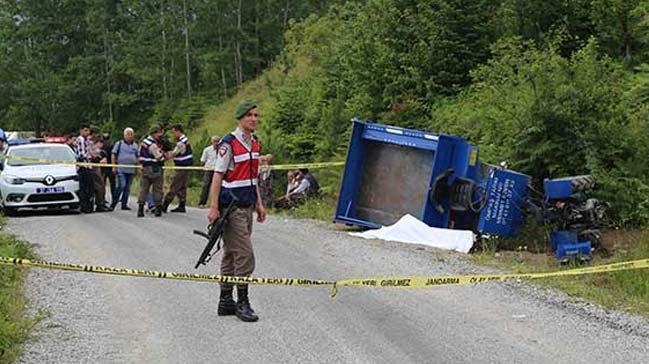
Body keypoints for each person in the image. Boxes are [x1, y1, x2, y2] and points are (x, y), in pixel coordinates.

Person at [208, 99, 266, 323]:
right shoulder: (228, 143)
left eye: (256, 115)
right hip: (230, 208)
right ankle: (242, 302)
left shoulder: (255, 143)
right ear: (240, 119)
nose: (254, 119)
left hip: (248, 205)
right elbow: (217, 176)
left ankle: (225, 300)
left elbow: (253, 179)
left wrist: (259, 204)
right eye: (249, 115)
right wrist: (214, 207)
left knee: (232, 254)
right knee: (245, 254)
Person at [162, 123, 193, 213]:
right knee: (182, 186)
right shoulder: (184, 140)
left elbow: (173, 154)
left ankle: (165, 205)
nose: (173, 134)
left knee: (175, 185)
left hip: (182, 166)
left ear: (178, 131)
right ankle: (182, 205)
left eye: (174, 132)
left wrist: (164, 153)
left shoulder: (181, 142)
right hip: (184, 165)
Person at [137, 125, 165, 217]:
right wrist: (163, 154)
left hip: (145, 168)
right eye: (159, 133)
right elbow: (158, 157)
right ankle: (158, 209)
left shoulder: (143, 143)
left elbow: (139, 155)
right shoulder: (152, 144)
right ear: (154, 133)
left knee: (143, 189)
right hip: (155, 168)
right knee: (157, 189)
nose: (160, 135)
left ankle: (140, 209)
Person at [111, 128, 138, 210]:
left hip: (131, 170)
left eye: (131, 134)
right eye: (128, 134)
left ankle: (124, 204)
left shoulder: (135, 145)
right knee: (121, 186)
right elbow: (113, 154)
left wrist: (138, 168)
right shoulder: (119, 144)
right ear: (124, 135)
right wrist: (113, 166)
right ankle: (114, 203)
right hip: (121, 169)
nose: (130, 136)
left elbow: (137, 156)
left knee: (127, 188)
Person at [75, 125, 94, 213]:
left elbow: (90, 151)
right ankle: (84, 206)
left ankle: (88, 205)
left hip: (88, 166)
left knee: (89, 187)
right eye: (85, 131)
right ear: (81, 131)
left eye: (88, 131)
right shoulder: (80, 140)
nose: (87, 132)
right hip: (83, 167)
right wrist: (90, 157)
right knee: (84, 188)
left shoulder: (88, 140)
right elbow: (81, 154)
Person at [198, 135, 221, 208]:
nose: (216, 143)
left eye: (217, 141)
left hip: (217, 170)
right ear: (212, 142)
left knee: (218, 187)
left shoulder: (222, 150)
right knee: (206, 185)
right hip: (208, 170)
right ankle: (202, 202)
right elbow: (203, 160)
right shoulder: (207, 150)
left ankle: (217, 203)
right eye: (214, 141)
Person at [91, 138, 111, 212]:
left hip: (101, 171)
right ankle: (99, 204)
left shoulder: (102, 152)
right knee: (99, 187)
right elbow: (93, 159)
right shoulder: (92, 150)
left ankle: (101, 202)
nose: (101, 145)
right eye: (100, 143)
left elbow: (104, 157)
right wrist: (99, 160)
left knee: (102, 187)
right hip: (95, 170)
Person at [101, 131, 117, 206]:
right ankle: (114, 199)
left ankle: (102, 199)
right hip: (110, 166)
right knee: (112, 184)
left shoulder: (101, 145)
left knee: (102, 184)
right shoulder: (112, 145)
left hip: (103, 167)